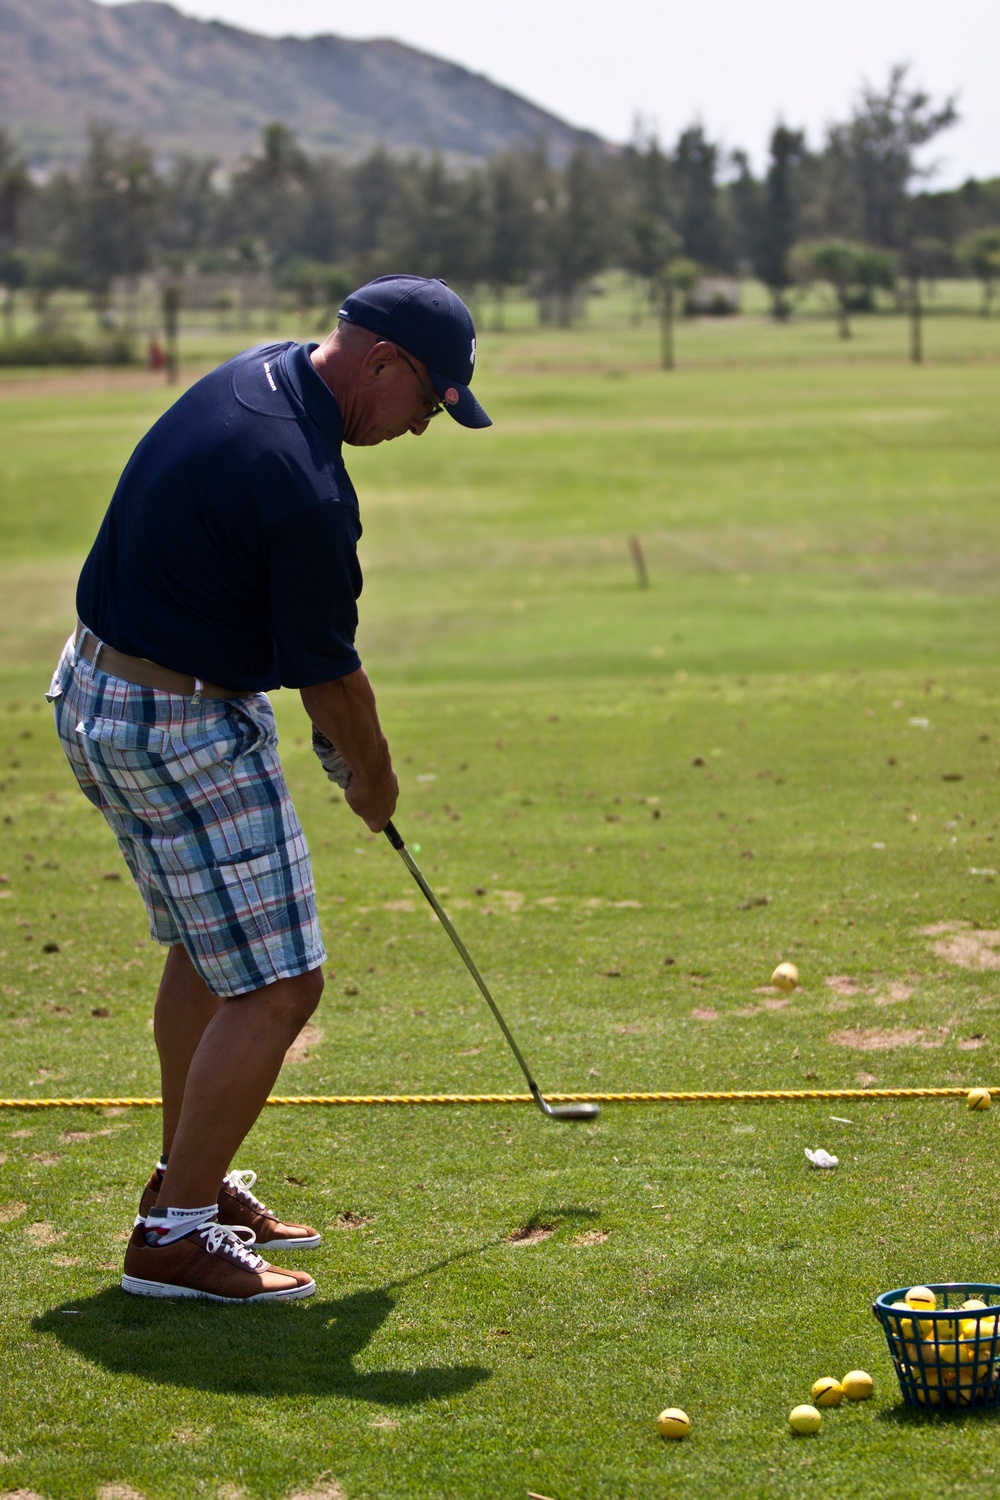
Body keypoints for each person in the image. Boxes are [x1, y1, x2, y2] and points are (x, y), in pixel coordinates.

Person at [47, 275, 491, 1303]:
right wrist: (372, 781)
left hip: (101, 689)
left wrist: (341, 754)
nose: (424, 425)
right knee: (281, 983)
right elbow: (330, 678)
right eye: (429, 401)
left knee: (208, 955)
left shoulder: (261, 372)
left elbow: (295, 652)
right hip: (178, 724)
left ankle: (187, 1181)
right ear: (383, 361)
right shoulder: (303, 487)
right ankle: (173, 1237)